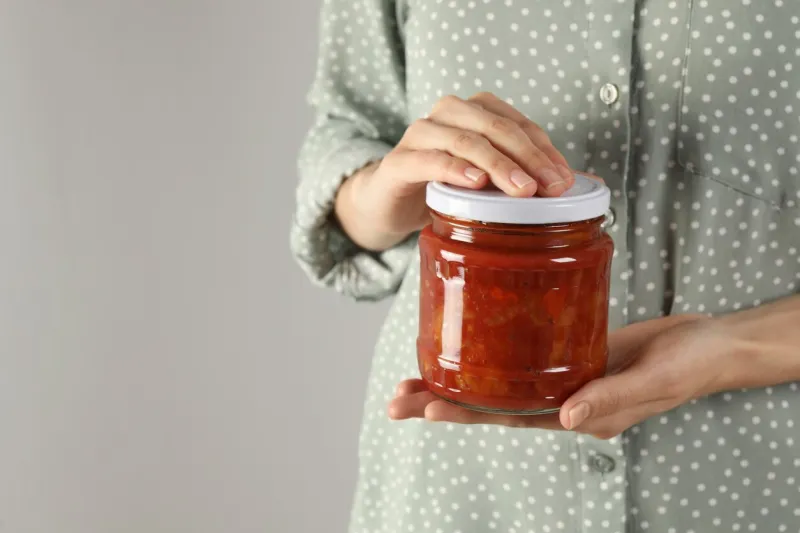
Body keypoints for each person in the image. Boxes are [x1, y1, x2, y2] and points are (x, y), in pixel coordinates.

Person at [291, 1, 800, 531]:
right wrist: (382, 192)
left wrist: (733, 350)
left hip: (747, 484)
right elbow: (345, 129)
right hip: (464, 489)